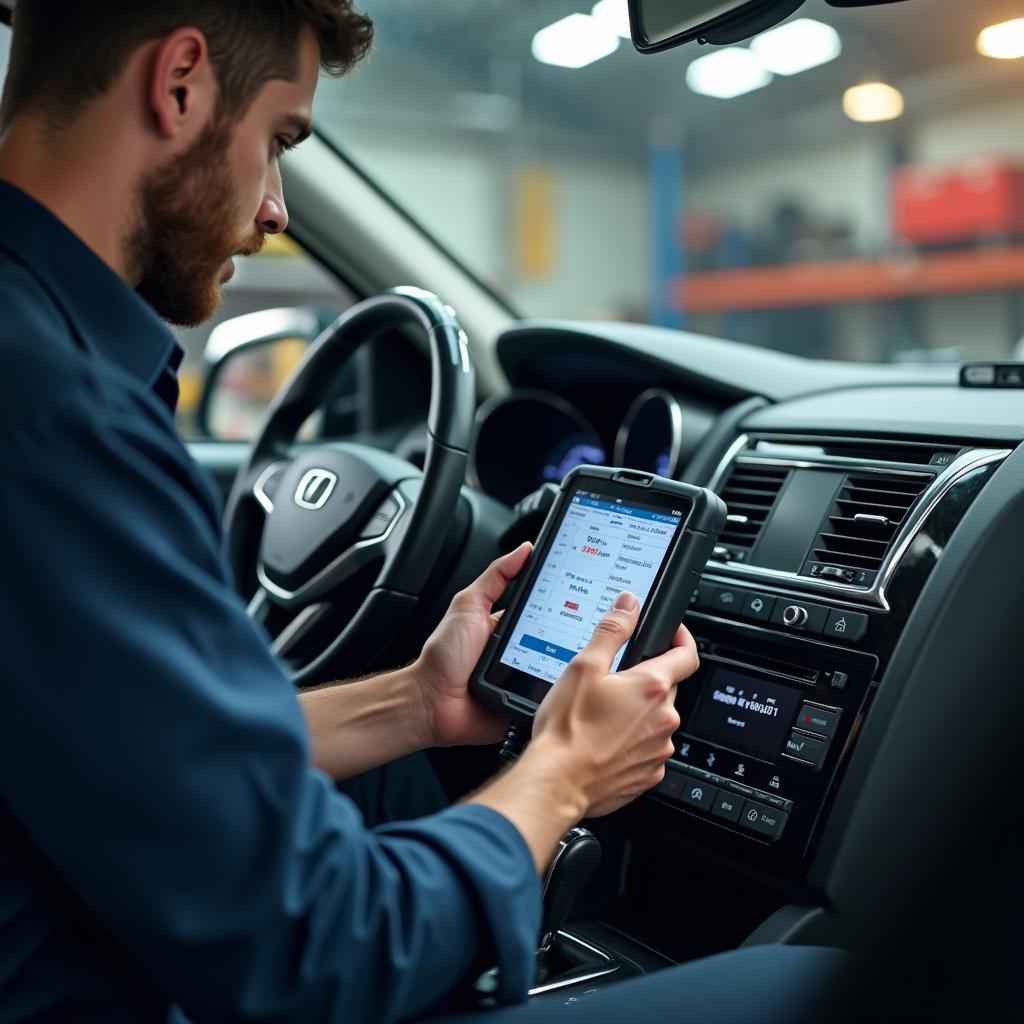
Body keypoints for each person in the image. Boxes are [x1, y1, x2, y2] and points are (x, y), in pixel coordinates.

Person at [0, 3, 699, 1021]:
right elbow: (315, 948)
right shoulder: (58, 413)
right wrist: (561, 776)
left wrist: (412, 703)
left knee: (392, 785)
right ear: (181, 79)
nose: (276, 207)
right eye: (279, 141)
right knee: (800, 979)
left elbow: (136, 746)